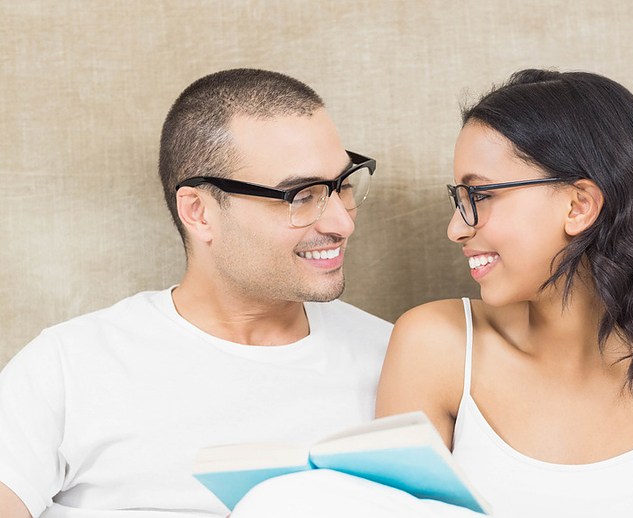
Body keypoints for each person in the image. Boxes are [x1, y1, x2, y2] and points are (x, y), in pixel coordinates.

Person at [233, 69, 633, 518]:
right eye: (459, 198)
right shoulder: (436, 342)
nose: (456, 229)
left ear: (579, 206)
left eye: (479, 195)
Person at [0, 68, 391, 518]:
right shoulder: (69, 366)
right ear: (200, 212)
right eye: (301, 195)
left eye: (343, 185)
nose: (342, 222)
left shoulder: (397, 365)